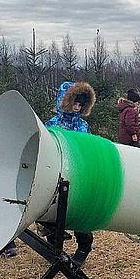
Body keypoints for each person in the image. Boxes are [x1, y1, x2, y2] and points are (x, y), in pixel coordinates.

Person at [44, 81, 96, 266]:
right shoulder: (51, 124)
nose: (77, 107)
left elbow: (89, 149)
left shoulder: (83, 126)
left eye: (81, 104)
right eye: (74, 102)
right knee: (50, 213)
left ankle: (84, 246)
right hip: (56, 175)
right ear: (64, 101)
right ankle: (55, 249)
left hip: (79, 175)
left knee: (79, 212)